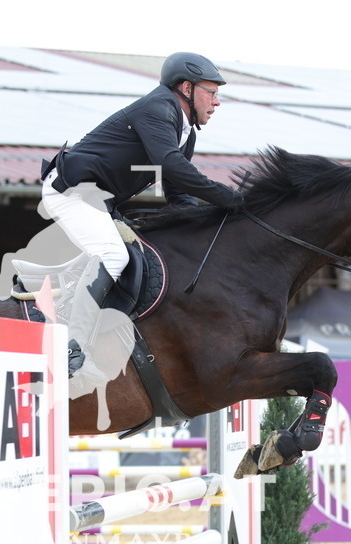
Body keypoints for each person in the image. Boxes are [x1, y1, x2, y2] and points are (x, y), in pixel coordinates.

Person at [40, 51, 245, 378]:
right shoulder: (158, 108)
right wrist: (229, 198)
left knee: (144, 258)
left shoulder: (185, 131)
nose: (217, 101)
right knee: (112, 255)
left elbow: (177, 190)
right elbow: (171, 165)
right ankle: (71, 345)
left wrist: (200, 231)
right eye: (212, 91)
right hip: (71, 191)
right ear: (186, 88)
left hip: (99, 200)